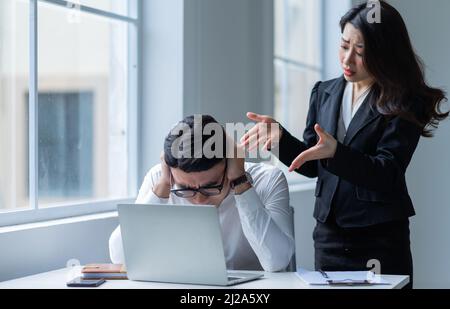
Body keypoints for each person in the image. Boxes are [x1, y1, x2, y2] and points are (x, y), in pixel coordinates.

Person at [242, 1, 448, 288]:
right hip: (328, 236)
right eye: (344, 45)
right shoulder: (323, 92)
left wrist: (337, 152)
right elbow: (314, 167)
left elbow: (388, 172)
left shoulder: (406, 102)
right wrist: (280, 140)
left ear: (384, 53)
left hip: (380, 239)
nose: (347, 59)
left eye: (360, 51)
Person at [109, 115, 295, 272]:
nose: (198, 199)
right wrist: (162, 187)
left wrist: (239, 181)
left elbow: (276, 262)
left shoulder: (267, 179)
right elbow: (119, 256)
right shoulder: (162, 179)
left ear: (230, 161)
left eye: (210, 186)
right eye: (185, 188)